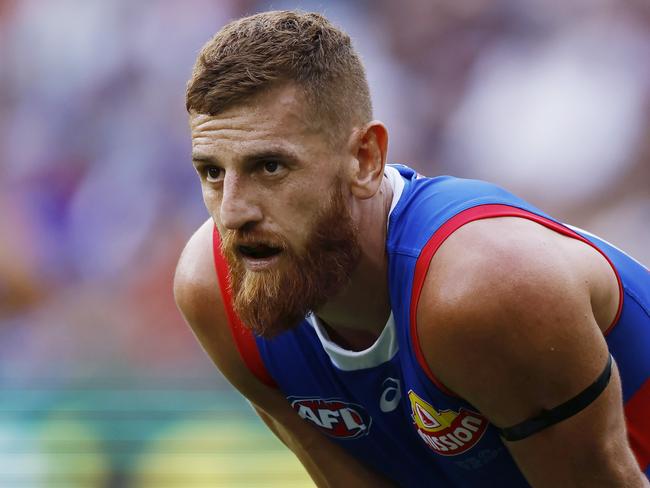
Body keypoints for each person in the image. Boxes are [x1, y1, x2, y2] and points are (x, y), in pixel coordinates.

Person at [174, 10, 649, 487]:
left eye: (270, 167)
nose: (232, 213)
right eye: (212, 172)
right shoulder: (213, 289)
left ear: (365, 159)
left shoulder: (484, 288)